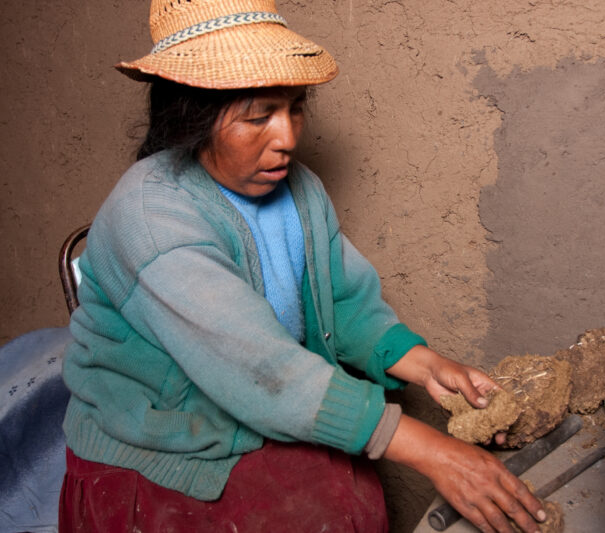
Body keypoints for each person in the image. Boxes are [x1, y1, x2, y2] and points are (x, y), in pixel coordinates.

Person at [58, 1, 547, 532]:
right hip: (167, 449)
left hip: (269, 401)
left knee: (351, 495)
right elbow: (256, 365)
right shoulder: (150, 216)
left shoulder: (299, 189)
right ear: (191, 116)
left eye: (294, 108)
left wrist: (425, 365)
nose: (287, 137)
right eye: (257, 116)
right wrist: (435, 452)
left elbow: (339, 299)